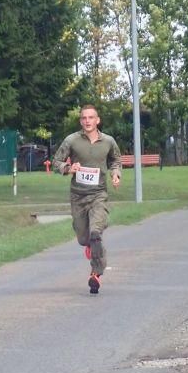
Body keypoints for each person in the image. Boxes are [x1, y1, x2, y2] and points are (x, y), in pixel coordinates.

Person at [51, 104, 122, 294]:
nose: (87, 121)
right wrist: (68, 168)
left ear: (97, 120)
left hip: (99, 194)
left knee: (95, 232)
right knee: (84, 238)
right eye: (84, 118)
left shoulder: (108, 141)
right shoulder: (71, 140)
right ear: (80, 121)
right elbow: (56, 162)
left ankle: (96, 273)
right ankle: (90, 246)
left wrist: (116, 174)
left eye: (91, 117)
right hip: (78, 196)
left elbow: (115, 161)